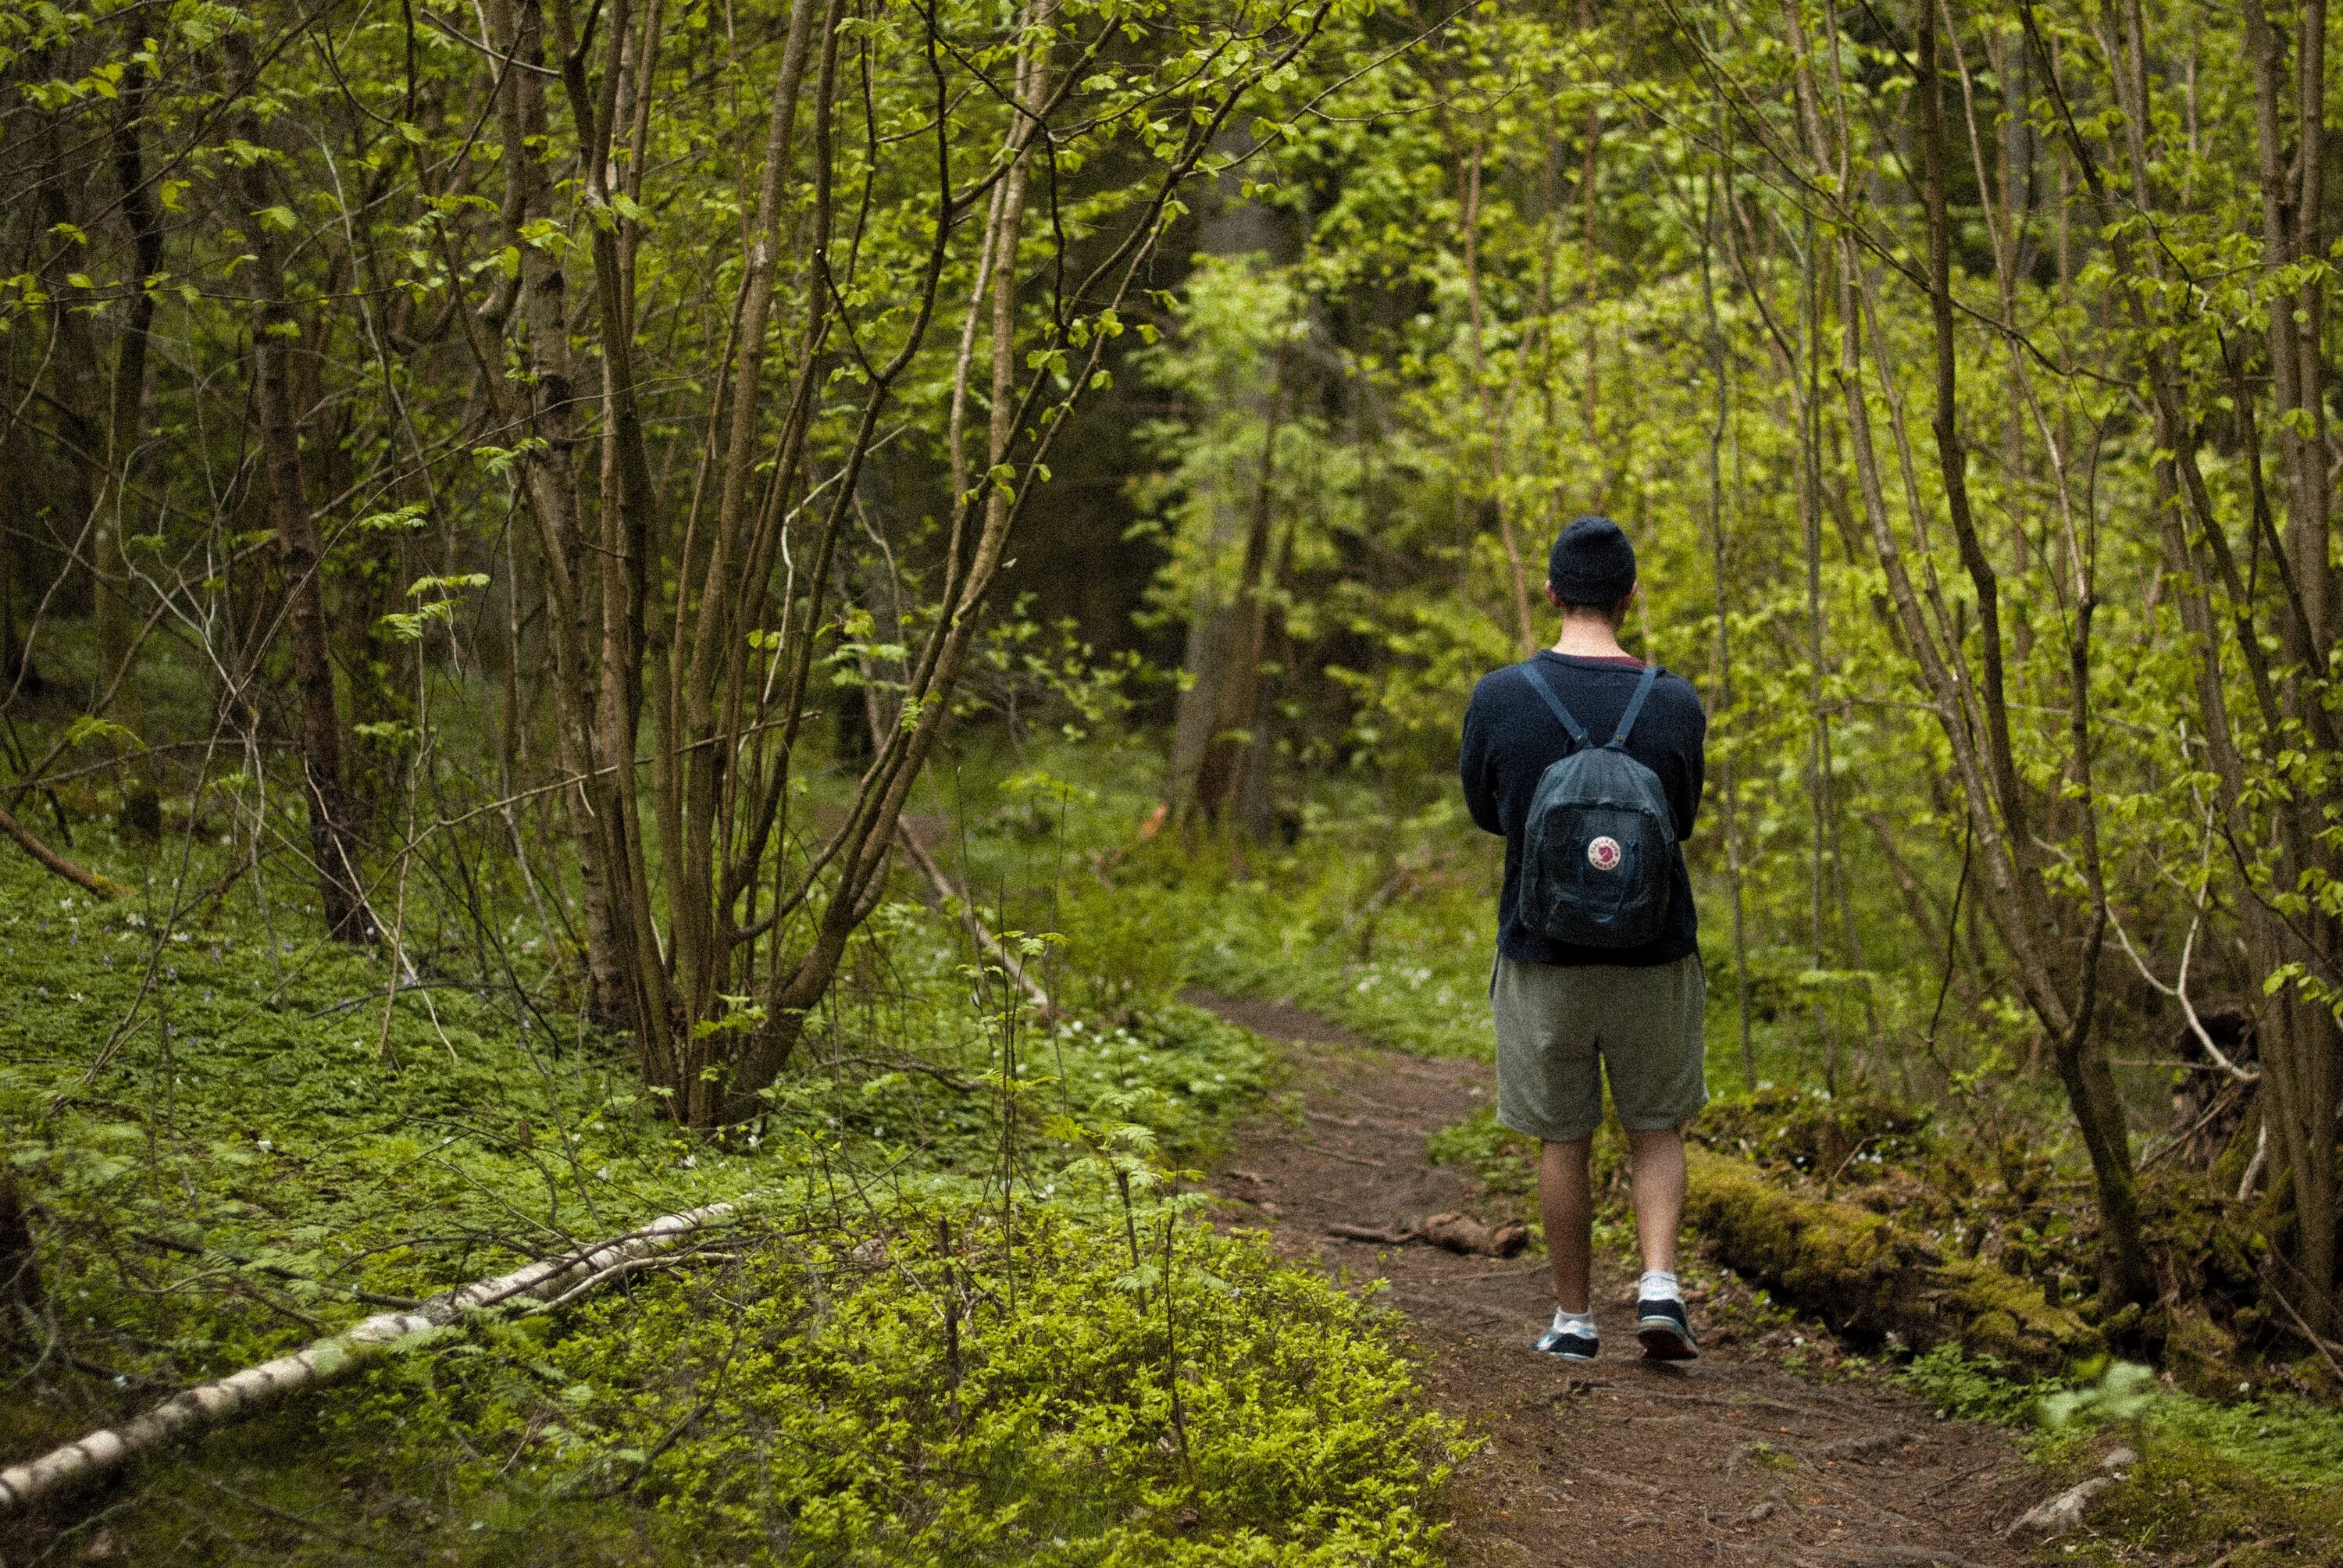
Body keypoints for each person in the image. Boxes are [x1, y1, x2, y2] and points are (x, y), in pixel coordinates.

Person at [1458, 515, 1707, 1361]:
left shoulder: (1501, 696)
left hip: (1543, 954)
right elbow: (1683, 818)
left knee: (1563, 1135)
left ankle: (1573, 1319)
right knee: (1656, 1126)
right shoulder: (1673, 701)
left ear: (1554, 591)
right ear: (1630, 595)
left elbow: (1487, 811)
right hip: (1655, 954)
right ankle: (1661, 1285)